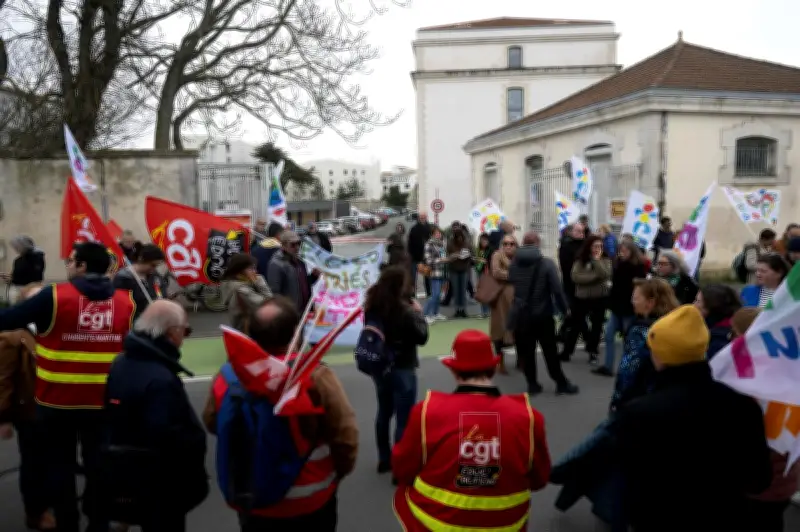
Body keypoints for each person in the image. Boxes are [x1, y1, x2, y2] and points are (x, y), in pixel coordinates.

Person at [0, 241, 136, 532]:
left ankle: (67, 523)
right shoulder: (126, 302)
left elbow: (7, 319)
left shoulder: (55, 296)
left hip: (55, 402)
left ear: (83, 266)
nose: (68, 264)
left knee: (59, 468)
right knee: (99, 466)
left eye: (72, 261)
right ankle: (98, 523)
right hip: (103, 402)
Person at [607, 305, 772, 532]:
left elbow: (628, 483)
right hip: (727, 517)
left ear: (661, 355)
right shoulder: (742, 405)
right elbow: (759, 477)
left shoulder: (639, 413)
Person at [203, 297, 358, 531]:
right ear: (295, 332)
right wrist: (340, 470)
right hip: (310, 496)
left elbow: (213, 421)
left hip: (251, 493)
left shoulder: (228, 376)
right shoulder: (315, 375)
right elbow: (344, 432)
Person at [391, 329, 552, 531]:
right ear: (493, 368)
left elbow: (402, 470)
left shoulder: (427, 412)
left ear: (454, 371)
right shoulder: (528, 417)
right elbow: (539, 479)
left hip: (437, 523)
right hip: (506, 524)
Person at [102, 300, 208, 531]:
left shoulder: (121, 363)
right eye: (186, 330)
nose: (185, 337)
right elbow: (168, 435)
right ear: (172, 332)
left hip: (126, 470)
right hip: (160, 480)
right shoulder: (161, 378)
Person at [732, 307, 800, 532]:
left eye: (734, 333)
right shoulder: (788, 370)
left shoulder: (754, 382)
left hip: (760, 479)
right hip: (785, 475)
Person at [0, 283, 55, 531]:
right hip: (30, 408)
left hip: (59, 406)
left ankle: (54, 504)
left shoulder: (60, 329)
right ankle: (36, 512)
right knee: (34, 462)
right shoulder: (12, 336)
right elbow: (3, 379)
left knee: (55, 460)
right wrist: (3, 418)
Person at [364, 266, 428, 477]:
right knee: (404, 418)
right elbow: (422, 337)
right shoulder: (404, 311)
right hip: (403, 365)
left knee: (384, 411)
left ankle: (384, 458)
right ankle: (400, 465)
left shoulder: (373, 306)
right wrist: (420, 314)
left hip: (380, 366)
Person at [508, 232, 579, 396]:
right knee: (550, 352)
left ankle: (532, 384)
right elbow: (557, 289)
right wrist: (564, 309)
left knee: (527, 352)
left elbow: (512, 283)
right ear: (538, 244)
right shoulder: (547, 264)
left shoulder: (514, 264)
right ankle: (561, 383)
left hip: (522, 315)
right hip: (543, 315)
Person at [609, 278, 679, 412]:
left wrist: (617, 401)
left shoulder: (640, 330)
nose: (632, 302)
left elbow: (629, 370)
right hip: (668, 397)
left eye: (636, 298)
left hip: (639, 399)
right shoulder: (674, 323)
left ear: (650, 302)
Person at [595, 240, 648, 377]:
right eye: (620, 250)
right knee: (608, 336)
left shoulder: (638, 267)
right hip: (616, 307)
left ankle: (628, 368)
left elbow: (638, 288)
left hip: (629, 308)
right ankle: (608, 366)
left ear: (632, 251)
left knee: (628, 339)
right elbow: (616, 285)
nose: (621, 253)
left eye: (625, 251)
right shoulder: (619, 264)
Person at [561, 234, 611, 364]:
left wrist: (596, 261)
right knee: (576, 324)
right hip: (582, 297)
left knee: (596, 326)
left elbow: (605, 274)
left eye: (600, 246)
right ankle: (567, 351)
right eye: (595, 246)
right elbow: (576, 277)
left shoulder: (605, 260)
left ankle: (593, 352)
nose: (597, 249)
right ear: (589, 246)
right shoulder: (580, 260)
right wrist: (594, 278)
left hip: (600, 297)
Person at [267, 230, 320, 313]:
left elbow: (304, 283)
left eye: (299, 243)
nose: (297, 247)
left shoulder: (300, 260)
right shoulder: (276, 264)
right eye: (293, 245)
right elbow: (274, 292)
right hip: (291, 312)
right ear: (283, 246)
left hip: (305, 310)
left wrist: (314, 276)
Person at [113, 243, 166, 319]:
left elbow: (162, 291)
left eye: (156, 266)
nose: (154, 269)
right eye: (152, 265)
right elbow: (122, 306)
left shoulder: (154, 275)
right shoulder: (123, 279)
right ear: (141, 259)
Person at [221, 253, 273, 331]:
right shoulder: (242, 290)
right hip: (249, 331)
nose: (255, 271)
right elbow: (269, 303)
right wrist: (260, 282)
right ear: (239, 271)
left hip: (241, 328)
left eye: (255, 268)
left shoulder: (231, 284)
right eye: (251, 269)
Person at [693, 284, 742, 359]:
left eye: (698, 301)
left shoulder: (718, 340)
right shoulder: (735, 326)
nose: (693, 305)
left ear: (711, 306)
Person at [557, 224, 585, 341]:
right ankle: (587, 338)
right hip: (570, 283)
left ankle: (563, 333)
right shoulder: (566, 246)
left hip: (582, 285)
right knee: (575, 312)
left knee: (577, 312)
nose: (581, 233)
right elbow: (566, 266)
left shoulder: (584, 245)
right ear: (571, 232)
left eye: (582, 231)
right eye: (578, 231)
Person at [0, 236, 46, 303]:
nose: (15, 248)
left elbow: (37, 278)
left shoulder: (36, 257)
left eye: (17, 246)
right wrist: (9, 277)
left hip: (30, 289)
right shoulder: (17, 260)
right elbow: (17, 275)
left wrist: (26, 289)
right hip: (16, 289)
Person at [422, 227, 448, 323]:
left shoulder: (441, 244)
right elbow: (428, 260)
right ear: (432, 234)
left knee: (440, 295)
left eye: (439, 233)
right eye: (436, 233)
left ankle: (436, 313)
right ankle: (425, 314)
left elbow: (444, 256)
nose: (438, 235)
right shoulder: (429, 244)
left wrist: (447, 259)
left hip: (443, 272)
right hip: (434, 273)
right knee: (434, 294)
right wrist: (441, 260)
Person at [445, 226, 472, 318]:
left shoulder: (467, 243)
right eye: (457, 237)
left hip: (464, 269)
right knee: (456, 291)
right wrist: (453, 256)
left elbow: (471, 254)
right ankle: (457, 310)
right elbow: (447, 255)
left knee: (463, 290)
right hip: (454, 269)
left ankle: (463, 310)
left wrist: (467, 255)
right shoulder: (450, 243)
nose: (459, 238)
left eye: (461, 236)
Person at [407, 213, 432, 297]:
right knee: (413, 277)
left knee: (427, 276)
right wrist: (410, 255)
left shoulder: (430, 228)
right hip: (415, 257)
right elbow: (410, 243)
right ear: (418, 218)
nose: (422, 218)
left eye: (424, 217)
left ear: (426, 217)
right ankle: (413, 293)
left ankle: (429, 292)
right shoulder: (414, 229)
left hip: (426, 257)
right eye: (421, 217)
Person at [473, 232, 493, 318]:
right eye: (482, 240)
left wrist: (486, 262)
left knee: (487, 293)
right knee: (481, 292)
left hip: (488, 273)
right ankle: (483, 312)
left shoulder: (491, 250)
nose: (483, 242)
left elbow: (493, 262)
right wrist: (476, 260)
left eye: (485, 240)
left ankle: (488, 312)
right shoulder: (478, 250)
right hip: (479, 272)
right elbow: (473, 261)